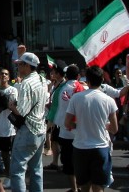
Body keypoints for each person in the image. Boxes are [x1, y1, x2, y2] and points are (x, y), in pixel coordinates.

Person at [65, 66, 118, 192]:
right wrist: (104, 126)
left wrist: (79, 125)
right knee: (98, 186)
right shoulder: (109, 100)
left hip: (80, 147)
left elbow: (67, 123)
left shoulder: (76, 98)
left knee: (84, 186)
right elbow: (115, 129)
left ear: (87, 80)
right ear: (102, 80)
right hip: (100, 148)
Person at [8, 52, 48, 192]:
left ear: (27, 65)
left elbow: (21, 111)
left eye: (20, 64)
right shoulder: (43, 80)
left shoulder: (26, 83)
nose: (18, 66)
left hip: (28, 129)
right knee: (36, 170)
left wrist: (12, 105)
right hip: (41, 128)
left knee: (17, 170)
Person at [48, 64, 85, 192]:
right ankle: (81, 187)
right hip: (80, 132)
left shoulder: (60, 89)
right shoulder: (83, 88)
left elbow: (54, 109)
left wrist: (49, 125)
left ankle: (74, 188)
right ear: (78, 75)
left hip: (65, 131)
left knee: (68, 162)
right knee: (80, 161)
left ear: (65, 75)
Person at [0, 68, 18, 189]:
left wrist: (1, 104)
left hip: (7, 128)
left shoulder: (12, 90)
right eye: (2, 73)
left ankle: (9, 176)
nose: (3, 75)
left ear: (9, 77)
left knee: (5, 154)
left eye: (6, 74)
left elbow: (10, 104)